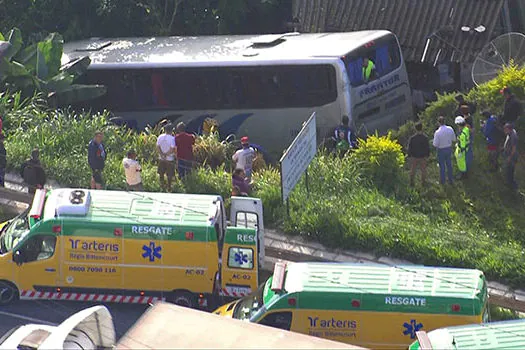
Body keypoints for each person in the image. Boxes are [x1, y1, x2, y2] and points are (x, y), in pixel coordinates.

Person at [433, 116, 456, 185]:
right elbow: (454, 139)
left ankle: (443, 181)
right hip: (449, 148)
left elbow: (435, 144)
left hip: (441, 150)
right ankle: (451, 180)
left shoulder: (437, 132)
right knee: (449, 164)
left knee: (442, 166)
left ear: (438, 122)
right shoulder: (450, 129)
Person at [407, 123, 430, 187]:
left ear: (415, 129)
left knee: (413, 170)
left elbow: (410, 148)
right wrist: (427, 155)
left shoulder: (412, 138)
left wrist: (409, 156)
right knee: (423, 171)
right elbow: (427, 147)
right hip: (423, 157)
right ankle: (423, 183)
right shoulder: (425, 138)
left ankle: (412, 183)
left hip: (414, 157)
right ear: (422, 128)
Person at [156, 124, 176, 191]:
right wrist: (166, 154)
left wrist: (162, 154)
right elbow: (172, 149)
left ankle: (162, 186)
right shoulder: (172, 138)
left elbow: (158, 147)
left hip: (161, 158)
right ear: (171, 130)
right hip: (169, 159)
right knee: (169, 174)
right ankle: (169, 187)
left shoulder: (160, 137)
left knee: (161, 173)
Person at [502, 123, 518, 191]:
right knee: (508, 170)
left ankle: (513, 187)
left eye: (505, 129)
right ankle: (509, 184)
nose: (504, 131)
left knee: (510, 171)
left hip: (511, 157)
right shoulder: (510, 133)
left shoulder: (513, 136)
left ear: (509, 129)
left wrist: (509, 157)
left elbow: (514, 149)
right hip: (508, 155)